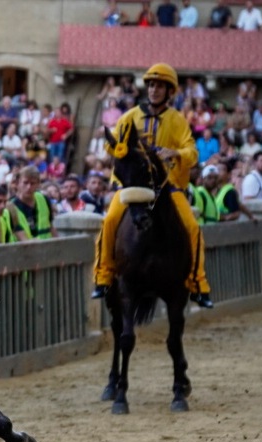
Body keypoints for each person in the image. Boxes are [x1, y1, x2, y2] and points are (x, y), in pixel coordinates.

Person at [91, 63, 213, 308]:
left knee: (192, 227)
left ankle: (197, 283)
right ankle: (103, 276)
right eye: (152, 85)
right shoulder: (129, 117)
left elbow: (193, 152)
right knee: (110, 220)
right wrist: (119, 147)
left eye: (160, 86)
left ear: (170, 92)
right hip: (132, 187)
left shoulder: (177, 120)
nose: (154, 90)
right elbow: (111, 145)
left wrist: (176, 153)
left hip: (167, 187)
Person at [6, 167, 53, 240]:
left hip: (47, 247)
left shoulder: (43, 199)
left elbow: (51, 226)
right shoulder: (10, 206)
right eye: (25, 183)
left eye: (32, 183)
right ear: (18, 183)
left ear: (38, 184)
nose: (28, 187)